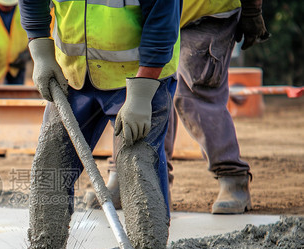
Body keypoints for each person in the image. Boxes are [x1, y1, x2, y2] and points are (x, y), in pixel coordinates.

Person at [20, 0, 181, 249]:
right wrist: (40, 49)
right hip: (72, 75)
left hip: (138, 77)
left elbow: (162, 20)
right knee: (51, 161)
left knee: (136, 163)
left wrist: (143, 91)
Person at [100, 0, 270, 214]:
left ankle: (232, 179)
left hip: (206, 13)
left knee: (195, 95)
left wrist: (252, 9)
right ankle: (134, 179)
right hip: (148, 13)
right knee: (141, 90)